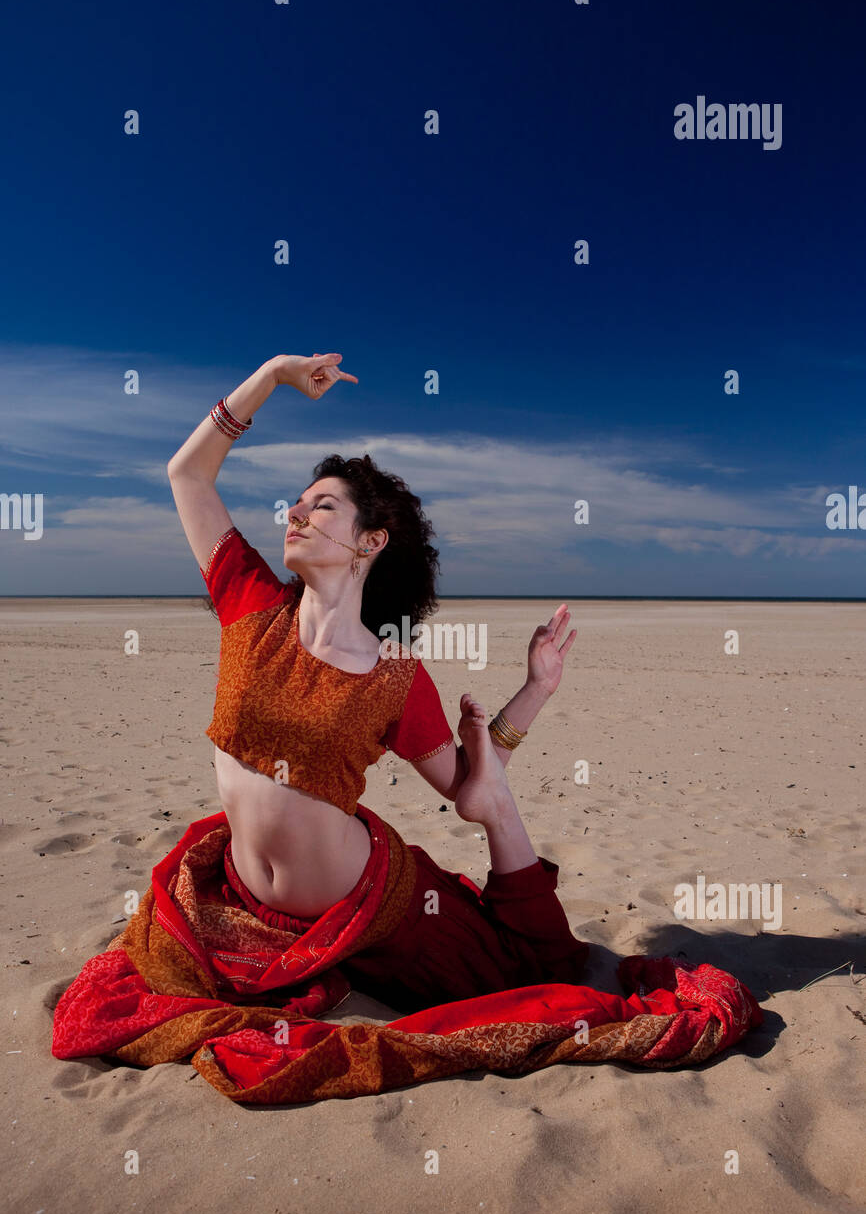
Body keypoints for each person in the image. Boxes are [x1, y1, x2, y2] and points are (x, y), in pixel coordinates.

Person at [51, 353, 762, 1102]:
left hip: (374, 909)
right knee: (118, 1000)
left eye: (322, 506)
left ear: (371, 541)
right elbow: (188, 475)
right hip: (241, 900)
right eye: (296, 502)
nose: (296, 512)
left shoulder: (396, 675)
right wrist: (270, 377)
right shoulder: (250, 604)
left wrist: (536, 689)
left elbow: (466, 783)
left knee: (529, 982)